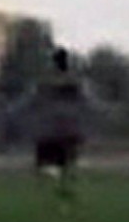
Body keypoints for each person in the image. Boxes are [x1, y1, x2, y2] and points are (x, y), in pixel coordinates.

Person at [11, 46, 110, 203]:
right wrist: (103, 108)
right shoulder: (73, 80)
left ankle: (50, 189)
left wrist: (16, 109)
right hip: (68, 127)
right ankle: (61, 187)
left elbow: (30, 99)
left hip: (50, 128)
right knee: (66, 161)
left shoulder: (47, 80)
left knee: (47, 162)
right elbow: (88, 99)